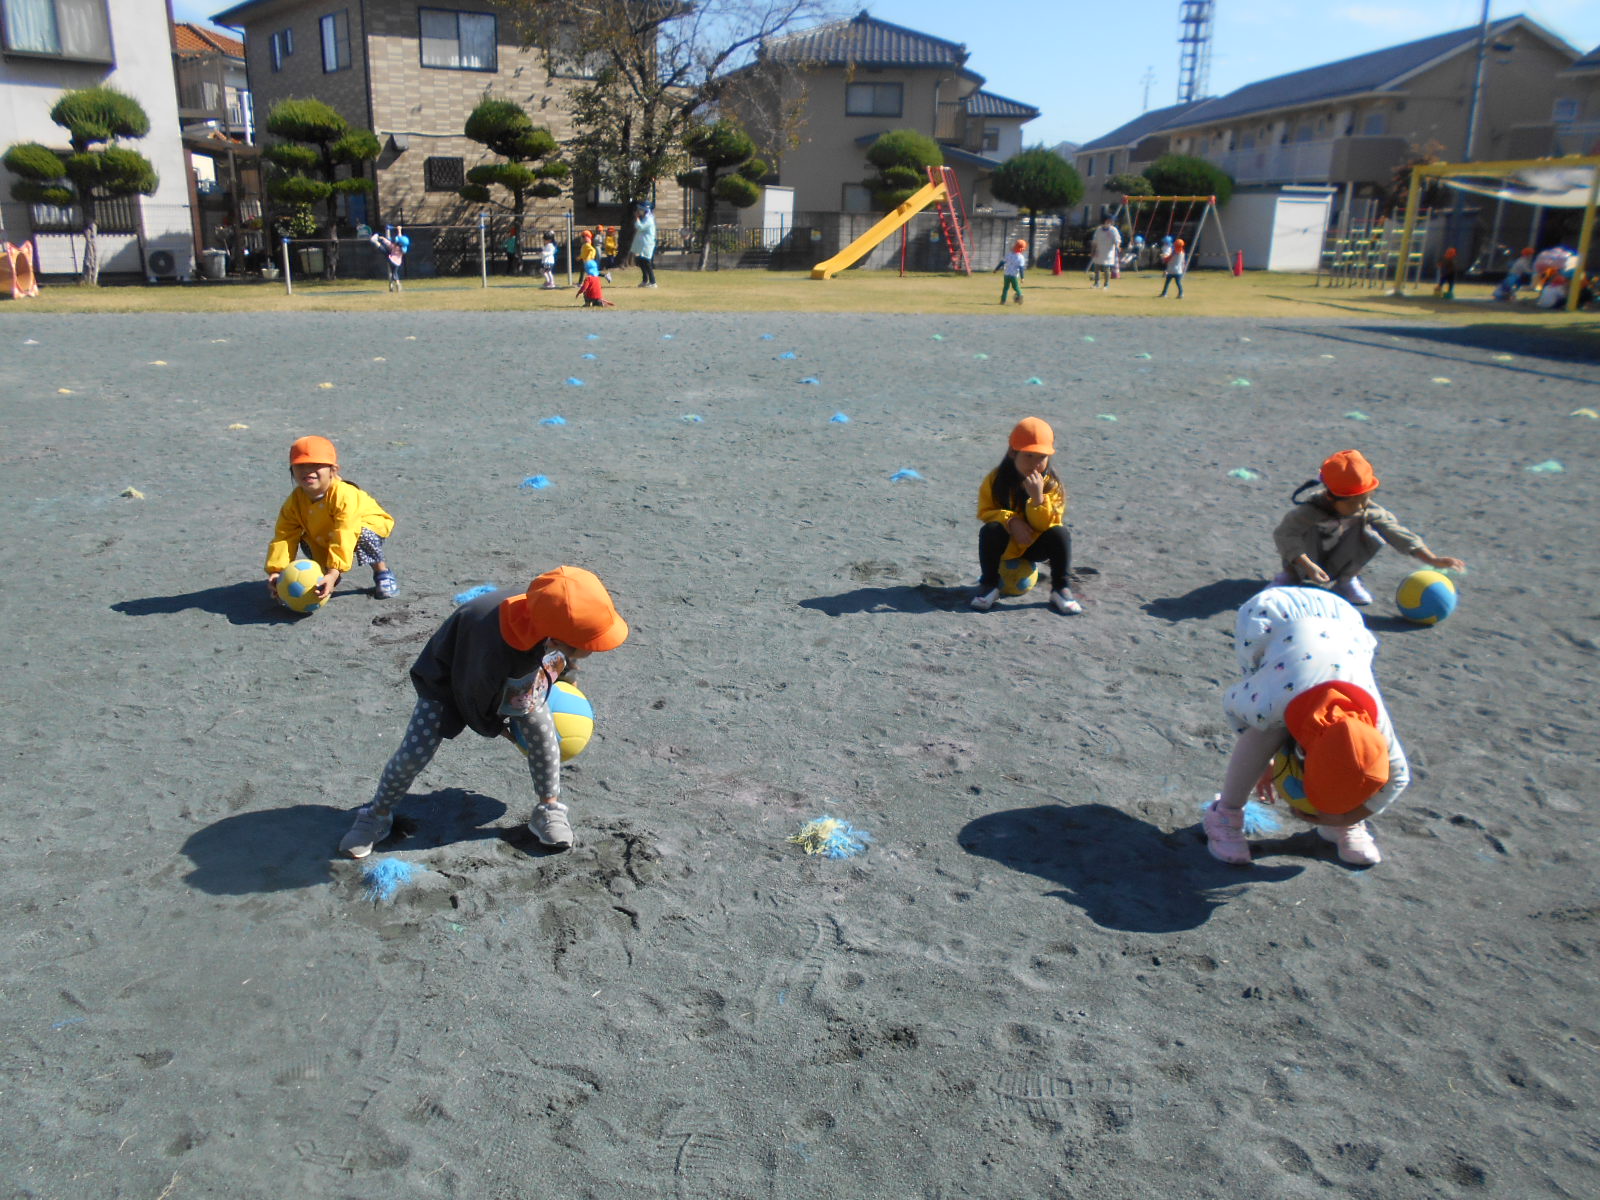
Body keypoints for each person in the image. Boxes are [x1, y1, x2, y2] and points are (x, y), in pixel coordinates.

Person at [337, 566, 629, 858]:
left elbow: (556, 659)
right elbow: (472, 696)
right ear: (554, 640)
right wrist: (495, 727)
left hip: (518, 674)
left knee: (543, 735)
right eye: (588, 646)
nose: (594, 650)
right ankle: (377, 814)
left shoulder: (547, 611)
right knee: (415, 751)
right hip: (450, 678)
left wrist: (564, 678)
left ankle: (548, 808)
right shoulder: (494, 648)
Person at [1203, 586, 1409, 867]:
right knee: (1266, 729)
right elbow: (1233, 706)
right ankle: (1225, 813)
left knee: (1348, 763)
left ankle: (1344, 827)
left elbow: (1398, 778)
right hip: (1275, 616)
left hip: (1342, 622)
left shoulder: (1378, 726)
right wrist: (1269, 762)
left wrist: (1349, 816)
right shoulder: (1271, 701)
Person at [1272, 449, 1465, 606]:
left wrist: (1431, 558)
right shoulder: (1310, 511)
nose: (1362, 505)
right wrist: (1307, 565)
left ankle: (1346, 580)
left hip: (1337, 562)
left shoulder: (1364, 509)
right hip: (1308, 561)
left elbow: (1395, 531)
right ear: (1331, 497)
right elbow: (1284, 535)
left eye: (1366, 499)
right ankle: (1290, 577)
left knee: (1372, 534)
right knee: (1296, 535)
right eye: (1356, 501)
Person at [970, 417, 1083, 615]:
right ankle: (989, 585)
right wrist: (1011, 521)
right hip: (1007, 544)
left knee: (1060, 533)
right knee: (990, 530)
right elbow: (985, 512)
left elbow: (1049, 523)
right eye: (1029, 455)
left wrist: (1038, 499)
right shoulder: (995, 479)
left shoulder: (1052, 484)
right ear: (1013, 452)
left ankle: (1060, 588)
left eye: (1041, 457)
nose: (1035, 463)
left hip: (1034, 544)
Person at [265, 435, 397, 603]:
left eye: (316, 465)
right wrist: (277, 572)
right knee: (306, 538)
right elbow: (284, 536)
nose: (307, 470)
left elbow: (345, 531)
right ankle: (325, 576)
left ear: (333, 470)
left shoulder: (344, 495)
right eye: (300, 466)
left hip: (365, 524)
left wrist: (334, 571)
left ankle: (382, 573)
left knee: (364, 535)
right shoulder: (294, 502)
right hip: (326, 531)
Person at [370, 226, 409, 292]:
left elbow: (388, 243)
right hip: (398, 263)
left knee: (384, 251)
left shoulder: (394, 246)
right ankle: (395, 285)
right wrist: (399, 230)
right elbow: (400, 238)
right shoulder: (403, 248)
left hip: (391, 260)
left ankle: (375, 242)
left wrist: (383, 238)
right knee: (394, 273)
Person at [1088, 215, 1121, 289]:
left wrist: (1117, 246)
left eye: (1111, 221)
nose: (1110, 222)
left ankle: (1106, 284)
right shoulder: (1099, 229)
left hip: (1108, 251)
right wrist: (1093, 250)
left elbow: (1117, 239)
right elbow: (1095, 241)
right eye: (1109, 220)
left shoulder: (1113, 230)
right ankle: (1096, 283)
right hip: (1099, 250)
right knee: (1097, 267)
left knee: (1106, 268)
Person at [631, 201, 658, 288]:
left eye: (641, 209)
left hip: (647, 244)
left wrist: (637, 218)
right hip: (642, 244)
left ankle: (653, 282)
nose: (639, 211)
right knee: (640, 260)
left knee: (646, 262)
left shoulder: (649, 219)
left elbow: (640, 227)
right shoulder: (645, 218)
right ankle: (645, 280)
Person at [999, 238, 1026, 305]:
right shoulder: (1021, 258)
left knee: (1005, 288)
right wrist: (1022, 278)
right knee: (1016, 287)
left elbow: (1002, 262)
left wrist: (996, 269)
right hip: (1014, 275)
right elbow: (1021, 268)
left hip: (1007, 274)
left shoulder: (1009, 254)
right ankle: (1019, 295)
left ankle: (1003, 301)